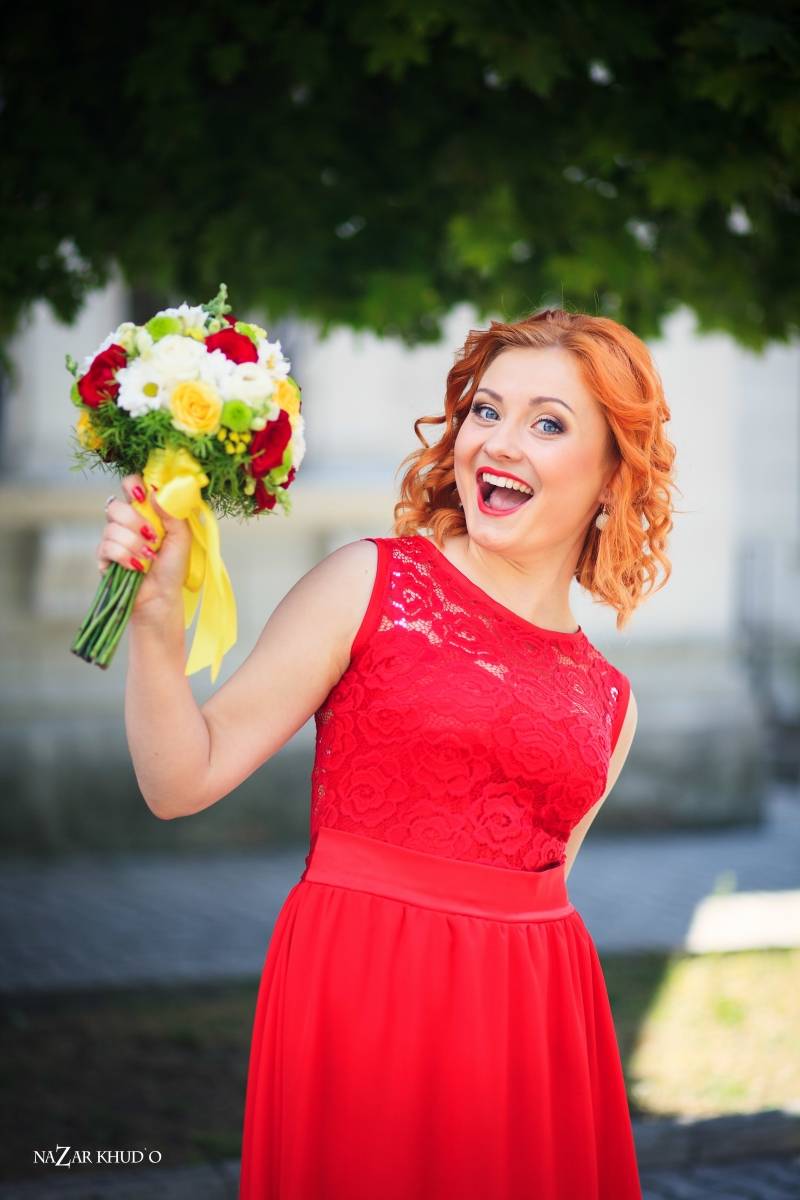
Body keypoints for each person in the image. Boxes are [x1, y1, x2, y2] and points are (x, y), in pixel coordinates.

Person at [100, 307, 676, 1199]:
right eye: (487, 411)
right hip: (360, 998)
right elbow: (180, 781)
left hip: (531, 1034)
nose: (499, 443)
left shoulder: (612, 702)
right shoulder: (368, 584)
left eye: (548, 424)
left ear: (612, 474)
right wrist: (154, 618)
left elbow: (539, 897)